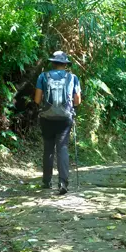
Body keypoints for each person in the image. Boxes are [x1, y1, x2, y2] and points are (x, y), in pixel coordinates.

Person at [34, 51, 81, 195]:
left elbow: (37, 100)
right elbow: (77, 100)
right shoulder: (73, 78)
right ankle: (63, 182)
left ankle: (46, 181)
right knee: (62, 148)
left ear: (53, 63)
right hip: (65, 119)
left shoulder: (43, 76)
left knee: (48, 148)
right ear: (65, 64)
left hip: (46, 118)